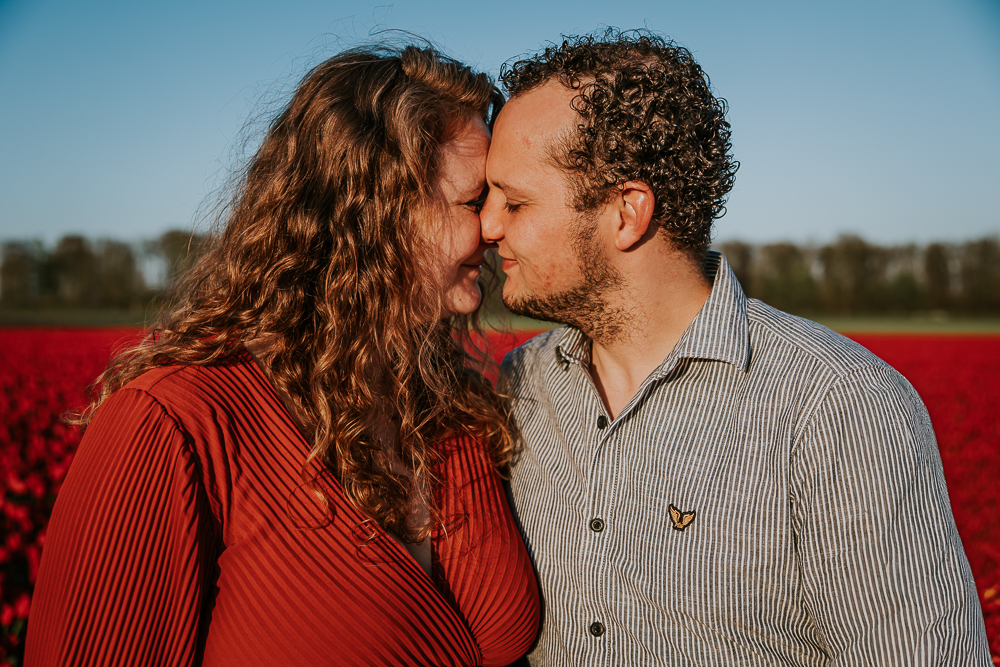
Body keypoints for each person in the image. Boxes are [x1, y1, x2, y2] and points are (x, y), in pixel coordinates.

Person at [481, 29, 990, 666]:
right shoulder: (520, 385)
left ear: (626, 212)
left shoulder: (840, 408)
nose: (488, 225)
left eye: (516, 201)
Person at [25, 44, 539, 667]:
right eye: (471, 200)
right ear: (371, 213)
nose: (493, 227)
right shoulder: (177, 425)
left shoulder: (451, 412)